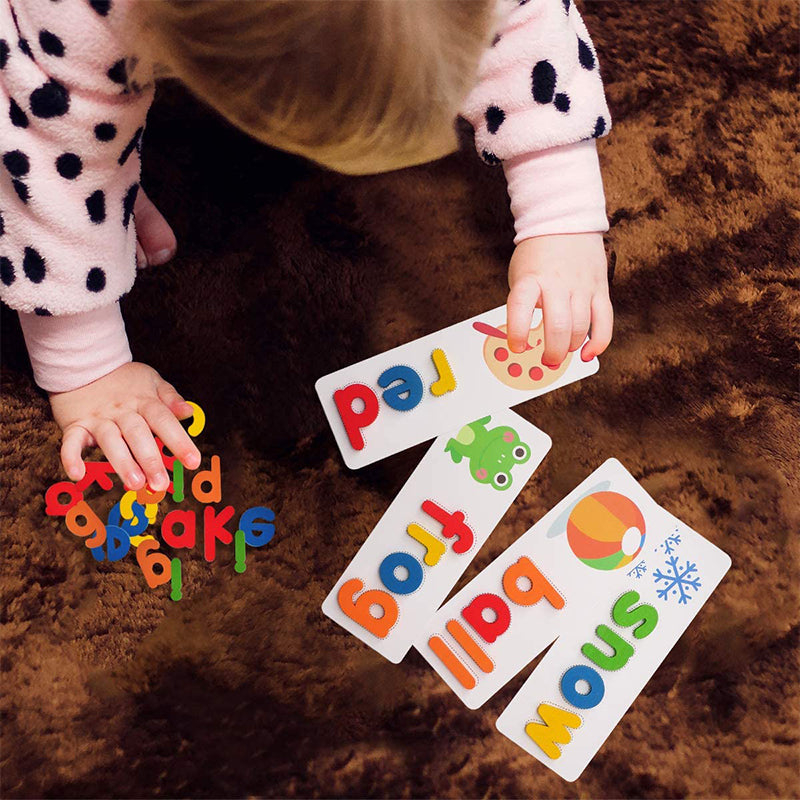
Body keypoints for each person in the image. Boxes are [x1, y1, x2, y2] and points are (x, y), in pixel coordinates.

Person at [0, 0, 613, 491]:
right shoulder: (74, 16)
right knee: (64, 120)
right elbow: (45, 151)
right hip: (56, 44)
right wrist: (89, 370)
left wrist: (560, 213)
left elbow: (530, 23)